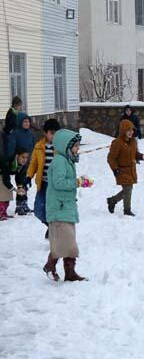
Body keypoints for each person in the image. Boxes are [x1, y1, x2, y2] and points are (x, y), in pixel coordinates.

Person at [43, 129, 89, 282]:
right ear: (65, 146)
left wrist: (79, 181)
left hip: (66, 206)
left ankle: (70, 273)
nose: (78, 149)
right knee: (64, 242)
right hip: (59, 207)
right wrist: (77, 182)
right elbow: (59, 183)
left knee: (68, 242)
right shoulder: (59, 161)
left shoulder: (67, 160)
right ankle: (50, 265)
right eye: (75, 146)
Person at [27, 119, 61, 235]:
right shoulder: (39, 146)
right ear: (45, 133)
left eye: (56, 133)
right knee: (38, 210)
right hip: (43, 184)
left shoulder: (61, 147)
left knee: (55, 209)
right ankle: (50, 226)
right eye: (52, 133)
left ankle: (56, 229)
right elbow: (33, 164)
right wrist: (28, 176)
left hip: (56, 185)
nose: (54, 135)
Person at [106, 119, 144, 217]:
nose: (130, 132)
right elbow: (111, 158)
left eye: (131, 129)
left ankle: (112, 200)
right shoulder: (117, 143)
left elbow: (135, 154)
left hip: (131, 169)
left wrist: (141, 156)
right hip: (121, 170)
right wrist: (115, 169)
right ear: (123, 131)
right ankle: (127, 210)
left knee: (128, 190)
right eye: (128, 130)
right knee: (128, 189)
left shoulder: (133, 142)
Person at [6, 112, 34, 215]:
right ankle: (19, 205)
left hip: (26, 161)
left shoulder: (30, 133)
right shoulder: (15, 133)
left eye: (28, 121)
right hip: (16, 162)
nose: (27, 123)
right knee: (19, 183)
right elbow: (11, 147)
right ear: (20, 122)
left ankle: (24, 203)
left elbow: (32, 146)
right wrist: (12, 159)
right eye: (25, 121)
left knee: (24, 182)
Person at [0, 148, 29, 220]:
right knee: (4, 192)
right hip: (2, 172)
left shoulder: (22, 165)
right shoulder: (7, 161)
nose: (25, 160)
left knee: (8, 192)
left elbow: (20, 177)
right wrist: (15, 190)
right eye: (23, 157)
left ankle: (3, 212)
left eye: (26, 157)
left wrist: (20, 187)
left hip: (3, 174)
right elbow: (6, 180)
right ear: (17, 156)